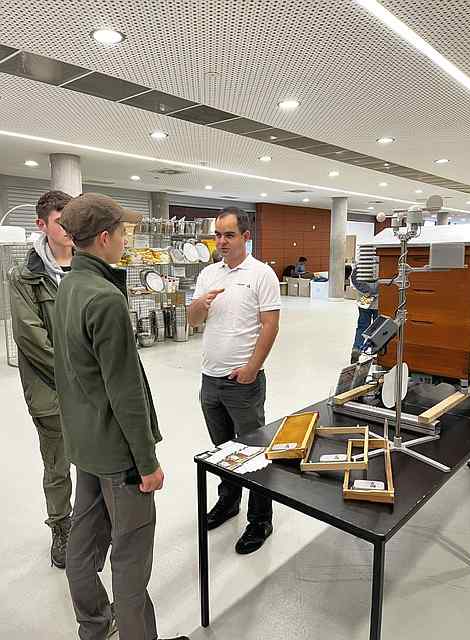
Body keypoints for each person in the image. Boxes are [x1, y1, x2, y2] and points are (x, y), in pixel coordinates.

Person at [54, 193, 188, 640]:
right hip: (118, 453)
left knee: (83, 542)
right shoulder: (105, 298)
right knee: (130, 557)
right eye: (122, 232)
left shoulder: (68, 287)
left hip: (86, 444)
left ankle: (94, 626)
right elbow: (125, 391)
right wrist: (146, 462)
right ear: (104, 237)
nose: (126, 240)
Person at [188, 207, 281, 555]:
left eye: (229, 235)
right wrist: (200, 302)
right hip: (209, 380)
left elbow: (270, 325)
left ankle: (260, 519)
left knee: (254, 454)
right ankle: (229, 502)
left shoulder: (261, 274)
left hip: (244, 382)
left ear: (245, 236)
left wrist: (252, 368)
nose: (222, 241)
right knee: (223, 451)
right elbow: (193, 321)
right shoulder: (208, 274)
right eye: (218, 235)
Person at [9, 190, 74, 569]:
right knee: (57, 464)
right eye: (60, 221)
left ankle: (91, 523)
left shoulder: (89, 266)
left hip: (93, 390)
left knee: (96, 462)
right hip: (51, 392)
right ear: (42, 224)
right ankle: (61, 527)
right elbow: (32, 340)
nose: (68, 228)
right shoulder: (25, 276)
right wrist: (76, 378)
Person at [350, 266, 379, 363]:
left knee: (362, 326)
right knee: (378, 328)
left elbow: (354, 277)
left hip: (364, 298)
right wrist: (376, 291)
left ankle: (357, 348)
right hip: (379, 299)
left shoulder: (363, 262)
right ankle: (376, 353)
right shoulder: (385, 263)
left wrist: (366, 291)